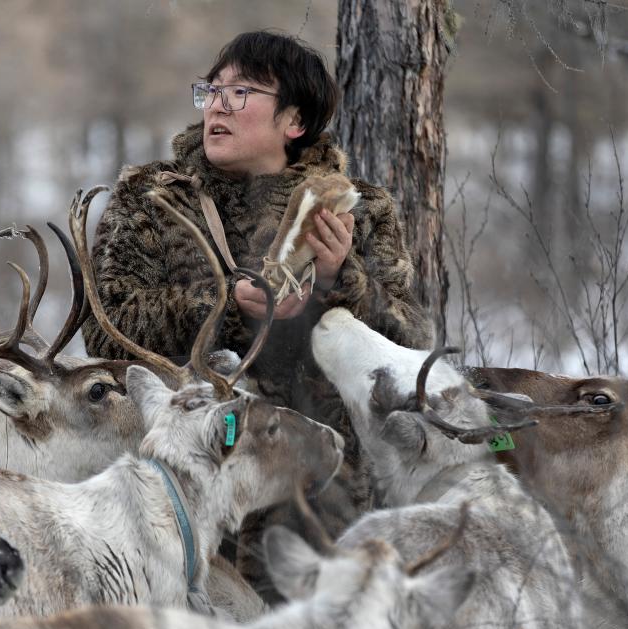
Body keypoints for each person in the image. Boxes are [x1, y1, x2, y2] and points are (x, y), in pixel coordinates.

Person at [82, 29, 433, 596]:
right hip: (181, 485)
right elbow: (102, 332)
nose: (217, 105)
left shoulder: (356, 210)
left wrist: (337, 284)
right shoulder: (153, 199)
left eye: (241, 93)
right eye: (211, 91)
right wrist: (222, 310)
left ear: (294, 121)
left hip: (318, 486)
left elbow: (411, 340)